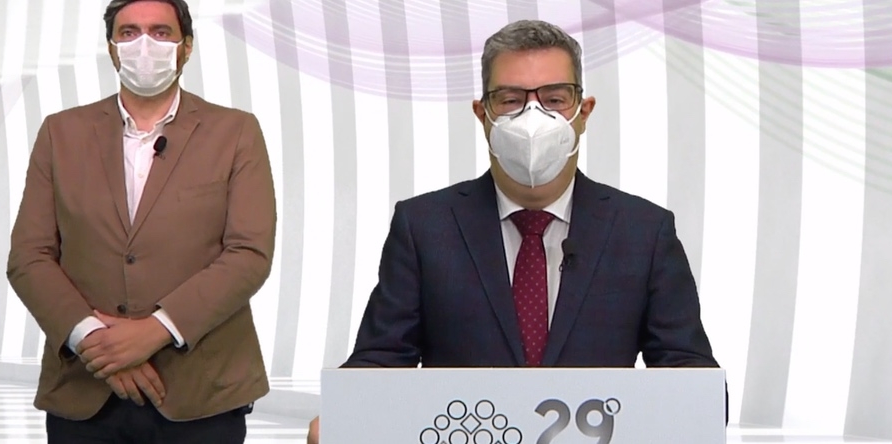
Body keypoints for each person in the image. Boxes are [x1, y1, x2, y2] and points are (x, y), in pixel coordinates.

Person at [307, 19, 716, 442]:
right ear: (482, 114)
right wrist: (343, 415)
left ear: (583, 112)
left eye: (554, 99)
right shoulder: (424, 228)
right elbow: (380, 365)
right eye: (511, 100)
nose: (533, 116)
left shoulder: (644, 232)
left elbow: (693, 380)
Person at [6, 0, 277, 442]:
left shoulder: (235, 132)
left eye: (161, 32)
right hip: (85, 391)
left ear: (187, 47)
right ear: (111, 47)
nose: (144, 45)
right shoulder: (60, 133)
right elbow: (29, 256)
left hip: (202, 393)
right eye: (129, 33)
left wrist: (155, 331)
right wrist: (95, 343)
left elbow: (249, 254)